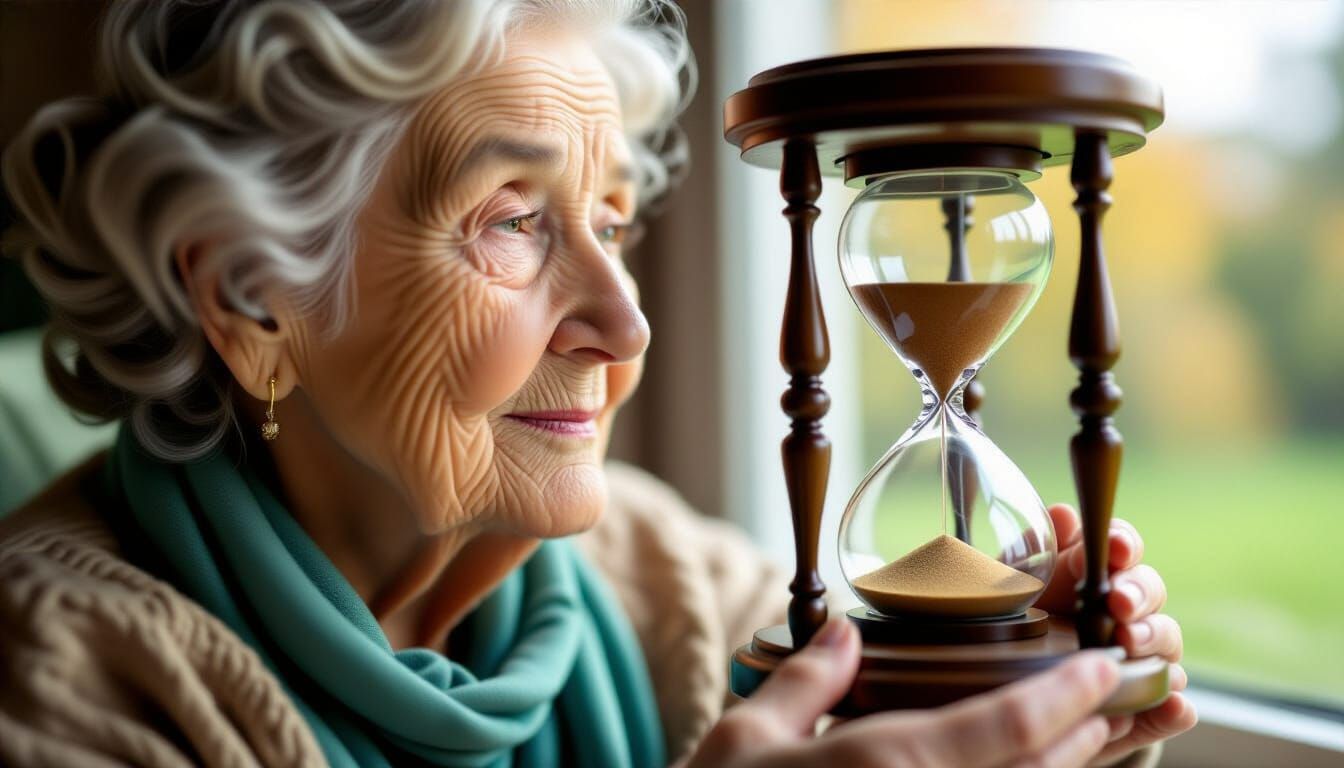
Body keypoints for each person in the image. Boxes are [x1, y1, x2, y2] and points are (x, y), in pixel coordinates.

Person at [0, 1, 1194, 766]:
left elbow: (902, 726)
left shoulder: (669, 584)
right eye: (513, 221)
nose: (626, 323)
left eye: (611, 223)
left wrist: (1048, 716)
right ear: (254, 299)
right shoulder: (66, 680)